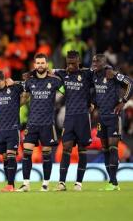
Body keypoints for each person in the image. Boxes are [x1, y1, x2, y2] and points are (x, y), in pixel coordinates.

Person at [17, 53, 63, 192]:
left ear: (46, 64)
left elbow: (67, 92)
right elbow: (23, 99)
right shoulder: (29, 81)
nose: (40, 65)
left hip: (47, 124)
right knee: (26, 153)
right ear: (34, 65)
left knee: (47, 154)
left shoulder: (55, 81)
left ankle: (45, 184)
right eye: (38, 63)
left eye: (43, 63)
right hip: (32, 123)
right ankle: (26, 184)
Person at [54, 50, 94, 191]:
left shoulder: (87, 74)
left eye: (73, 63)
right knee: (66, 148)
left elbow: (100, 77)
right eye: (68, 63)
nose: (70, 66)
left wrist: (92, 102)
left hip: (83, 118)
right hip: (69, 117)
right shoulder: (63, 73)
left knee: (82, 150)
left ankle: (78, 183)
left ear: (79, 62)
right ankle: (61, 183)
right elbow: (46, 71)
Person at [92, 54, 132, 191]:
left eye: (98, 61)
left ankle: (114, 182)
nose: (95, 63)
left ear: (104, 62)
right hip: (101, 118)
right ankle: (111, 181)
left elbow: (130, 83)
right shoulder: (93, 75)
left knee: (113, 147)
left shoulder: (112, 74)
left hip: (113, 116)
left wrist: (123, 102)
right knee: (105, 149)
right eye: (93, 61)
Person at [0, 70, 25, 192]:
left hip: (13, 129)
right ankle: (9, 184)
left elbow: (28, 87)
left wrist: (22, 101)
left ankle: (10, 184)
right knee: (4, 157)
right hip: (0, 130)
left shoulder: (15, 87)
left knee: (11, 154)